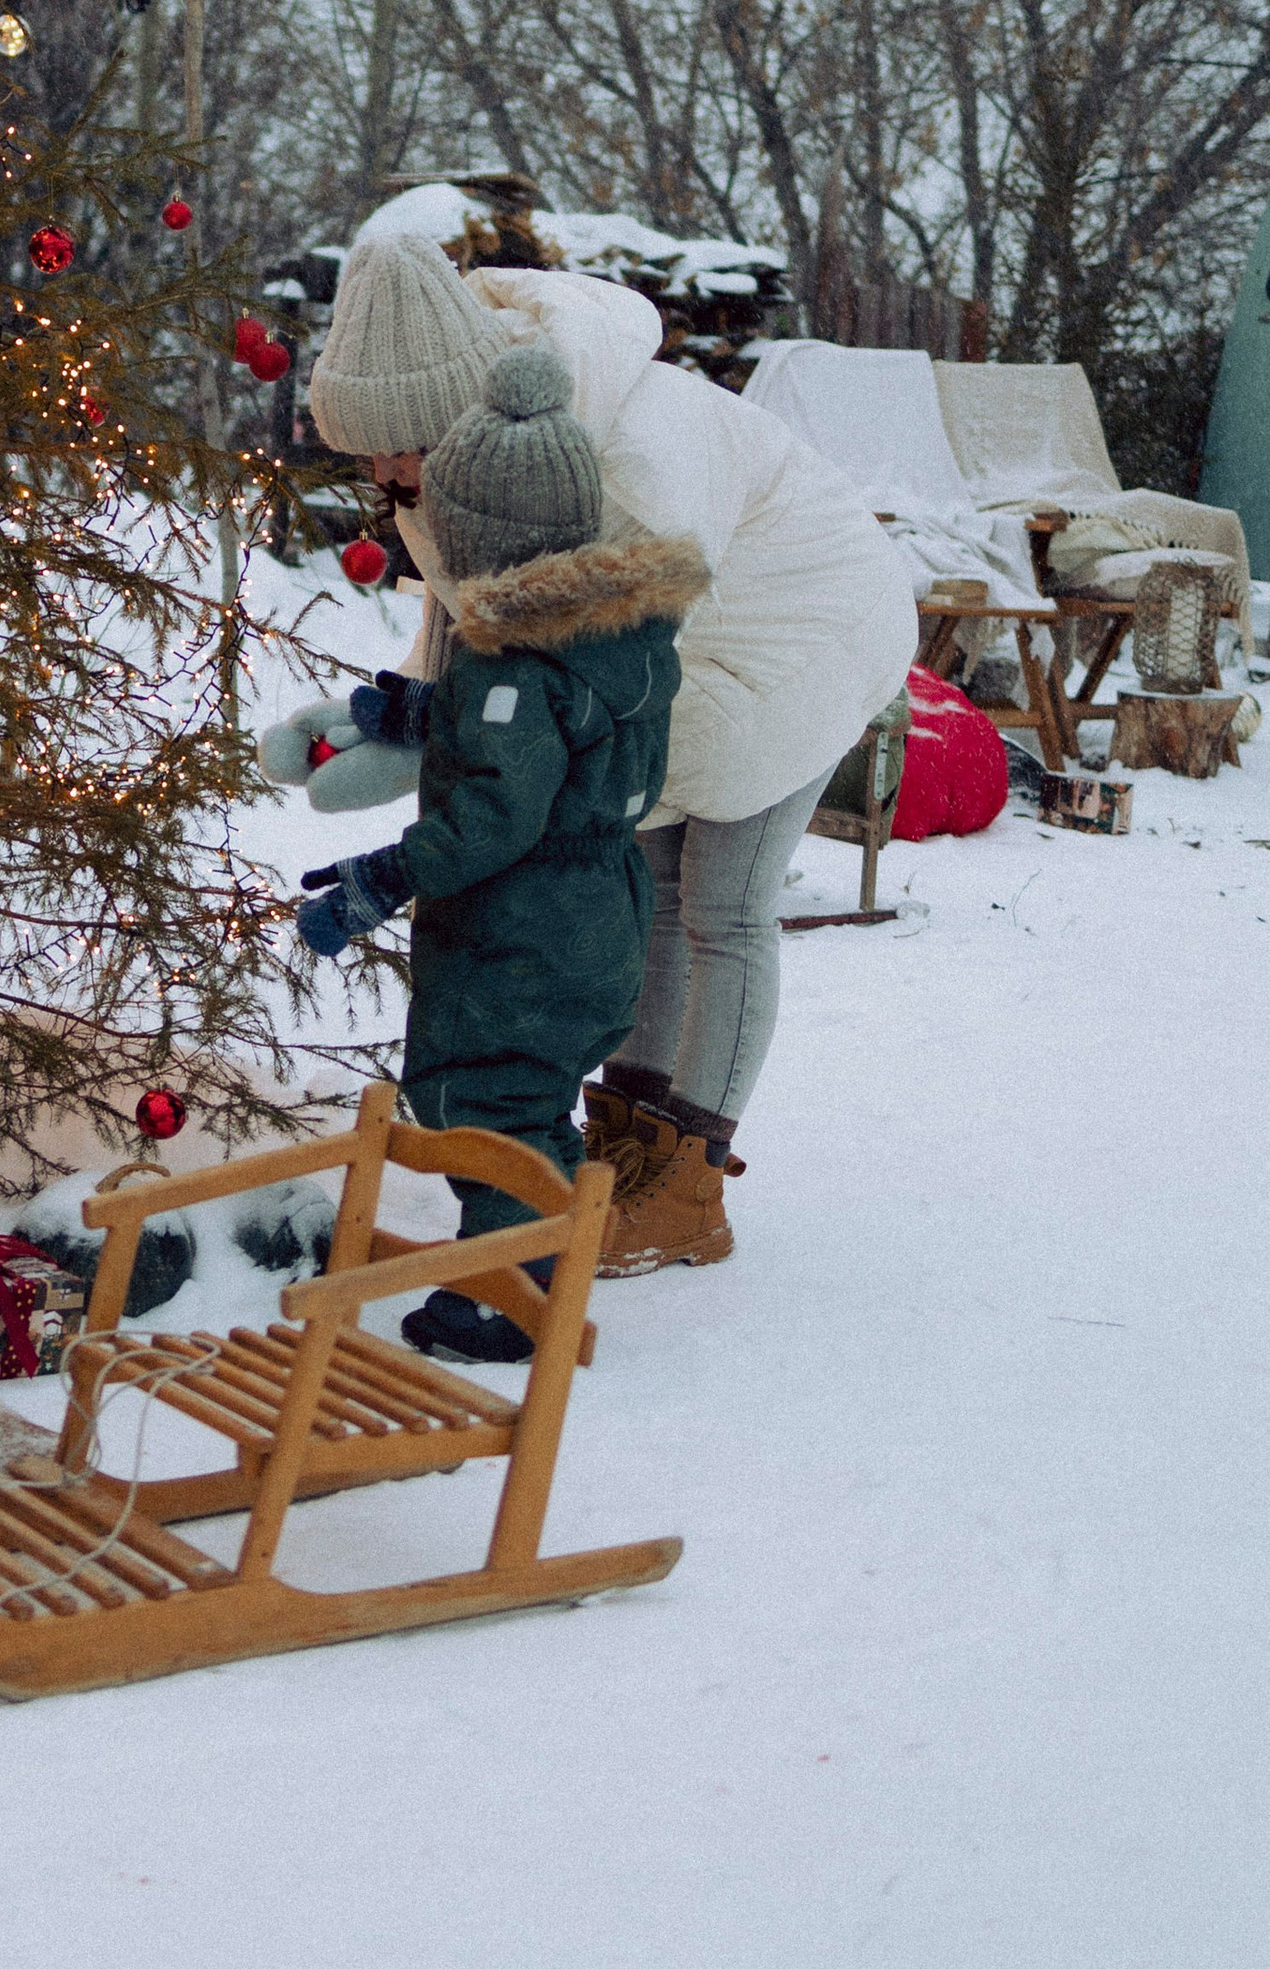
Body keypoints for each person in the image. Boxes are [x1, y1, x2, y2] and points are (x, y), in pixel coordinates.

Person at [301, 224, 915, 1274]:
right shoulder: (454, 458)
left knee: (718, 902)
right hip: (680, 645)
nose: (376, 469)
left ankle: (686, 1188)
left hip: (799, 631)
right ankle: (624, 1147)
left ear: (441, 413)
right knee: (645, 878)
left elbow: (584, 667)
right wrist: (411, 708)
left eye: (389, 446)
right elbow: (474, 609)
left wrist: (476, 757)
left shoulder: (623, 463)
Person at [297, 346, 705, 1362]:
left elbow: (496, 815)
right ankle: (536, 1265)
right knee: (530, 1101)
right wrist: (428, 711)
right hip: (596, 915)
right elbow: (559, 742)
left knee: (486, 1106)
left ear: (481, 537)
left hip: (522, 934)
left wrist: (376, 881)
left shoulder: (513, 664)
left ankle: (504, 1302)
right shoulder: (610, 635)